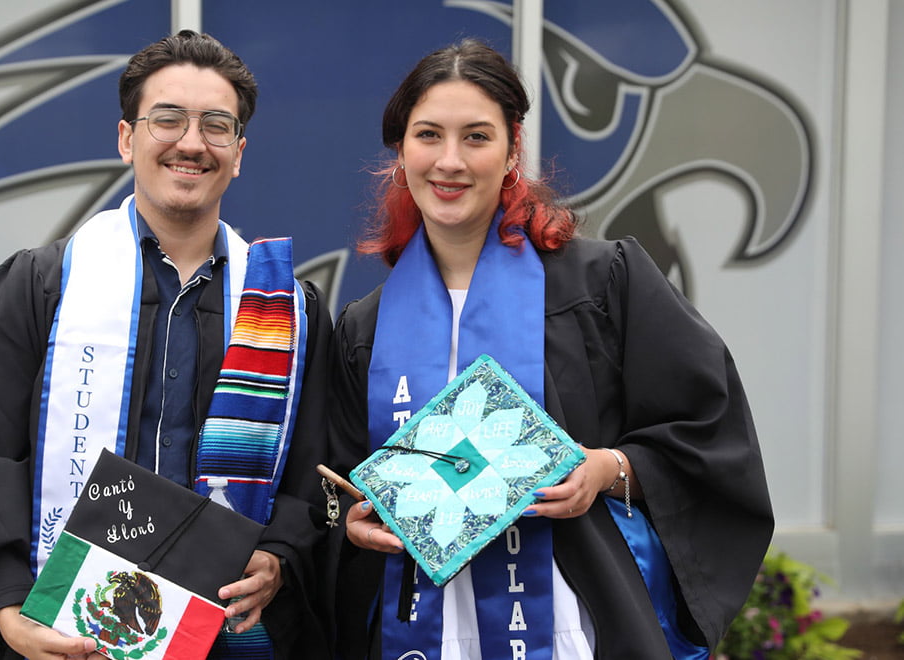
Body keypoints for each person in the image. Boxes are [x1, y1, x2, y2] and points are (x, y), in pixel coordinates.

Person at [0, 30, 332, 660]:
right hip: (64, 634)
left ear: (239, 150)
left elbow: (313, 468)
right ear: (126, 139)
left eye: (216, 125)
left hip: (225, 636)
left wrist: (278, 555)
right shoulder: (41, 287)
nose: (192, 143)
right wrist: (6, 610)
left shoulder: (285, 311)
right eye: (167, 119)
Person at [326, 39, 774, 659]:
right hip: (426, 629)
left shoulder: (602, 284)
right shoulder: (364, 328)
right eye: (428, 135)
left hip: (572, 626)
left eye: (476, 137)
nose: (449, 160)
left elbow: (707, 430)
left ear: (512, 151)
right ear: (400, 152)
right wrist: (353, 524)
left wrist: (608, 470)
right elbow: (339, 487)